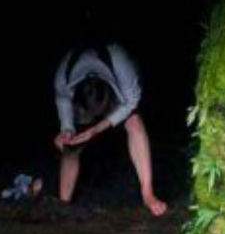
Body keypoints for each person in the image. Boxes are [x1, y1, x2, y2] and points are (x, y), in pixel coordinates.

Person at [52, 42, 167, 216]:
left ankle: (148, 194)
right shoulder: (63, 78)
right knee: (71, 145)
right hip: (82, 103)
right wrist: (66, 131)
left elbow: (132, 101)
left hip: (119, 92)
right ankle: (63, 202)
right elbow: (63, 105)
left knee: (134, 121)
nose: (96, 118)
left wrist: (96, 129)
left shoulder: (121, 64)